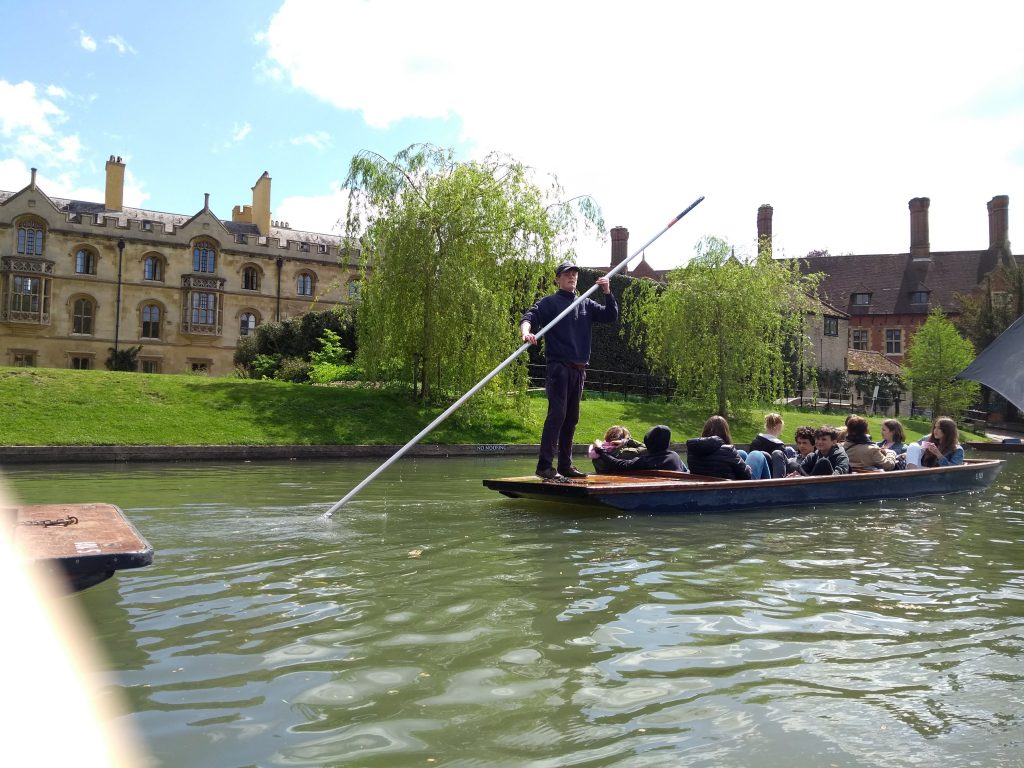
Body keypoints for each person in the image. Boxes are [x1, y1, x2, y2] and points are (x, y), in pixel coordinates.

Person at [521, 263, 618, 480]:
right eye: (567, 275)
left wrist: (607, 292)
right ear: (557, 279)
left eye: (574, 275)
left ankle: (565, 465)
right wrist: (527, 334)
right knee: (557, 415)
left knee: (571, 418)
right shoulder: (550, 303)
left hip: (579, 369)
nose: (572, 277)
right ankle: (545, 467)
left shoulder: (585, 303)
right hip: (559, 367)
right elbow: (529, 318)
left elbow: (610, 316)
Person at [591, 425, 688, 473]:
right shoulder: (675, 456)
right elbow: (686, 472)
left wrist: (600, 450)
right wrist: (627, 441)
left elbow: (618, 464)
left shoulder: (645, 461)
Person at [686, 416, 752, 480]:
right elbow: (747, 476)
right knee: (756, 454)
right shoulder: (728, 450)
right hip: (729, 489)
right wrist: (748, 468)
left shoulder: (692, 451)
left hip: (703, 488)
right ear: (725, 433)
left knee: (741, 453)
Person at [747, 412, 795, 477]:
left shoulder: (756, 442)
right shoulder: (779, 446)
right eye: (780, 429)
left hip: (758, 473)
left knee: (789, 450)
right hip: (770, 477)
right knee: (789, 451)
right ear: (777, 427)